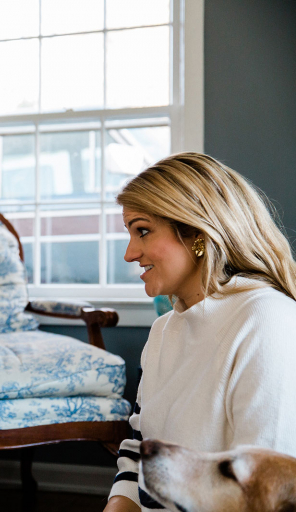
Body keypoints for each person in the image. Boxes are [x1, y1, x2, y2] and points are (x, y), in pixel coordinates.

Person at [105, 152, 296, 512]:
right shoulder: (163, 330)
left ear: (195, 231)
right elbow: (136, 453)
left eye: (142, 230)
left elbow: (260, 496)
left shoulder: (268, 321)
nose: (130, 253)